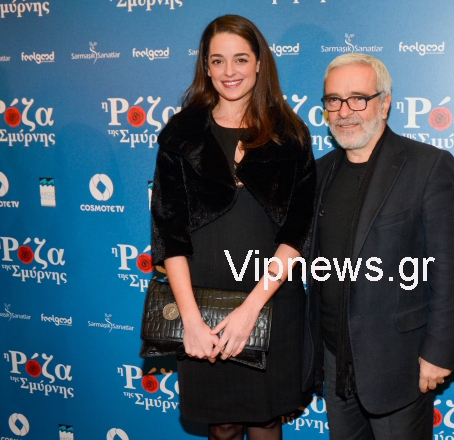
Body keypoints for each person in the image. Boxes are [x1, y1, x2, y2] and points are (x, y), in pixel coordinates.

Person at [150, 15, 315, 440]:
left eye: (240, 59)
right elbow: (169, 234)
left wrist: (250, 310)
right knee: (221, 425)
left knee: (266, 419)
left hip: (271, 301)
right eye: (218, 60)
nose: (229, 71)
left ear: (259, 63)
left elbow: (297, 234)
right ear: (205, 67)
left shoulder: (291, 136)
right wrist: (191, 320)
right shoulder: (182, 134)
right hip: (201, 306)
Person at [302, 54, 454, 439]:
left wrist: (438, 353)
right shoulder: (320, 172)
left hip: (399, 363)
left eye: (358, 98)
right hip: (334, 361)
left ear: (384, 103)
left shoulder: (427, 166)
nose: (344, 111)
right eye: (334, 100)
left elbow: (452, 272)